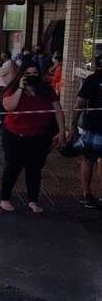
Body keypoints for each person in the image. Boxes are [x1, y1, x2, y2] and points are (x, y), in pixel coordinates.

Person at [0, 61, 65, 213]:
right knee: (12, 168)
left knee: (34, 170)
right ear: (22, 74)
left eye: (35, 73)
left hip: (38, 137)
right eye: (28, 73)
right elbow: (9, 106)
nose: (32, 76)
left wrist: (62, 130)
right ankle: (5, 198)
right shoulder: (14, 88)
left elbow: (58, 110)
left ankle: (33, 200)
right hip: (15, 135)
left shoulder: (46, 90)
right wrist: (21, 88)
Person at [70, 54, 102, 208]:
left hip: (92, 126)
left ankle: (87, 194)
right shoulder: (92, 80)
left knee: (88, 159)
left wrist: (73, 123)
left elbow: (79, 103)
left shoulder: (91, 80)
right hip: (95, 126)